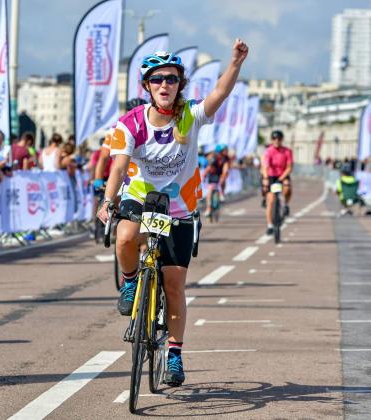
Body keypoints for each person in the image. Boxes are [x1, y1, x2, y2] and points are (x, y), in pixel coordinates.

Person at [98, 40, 249, 386]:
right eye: (157, 79)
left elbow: (221, 93)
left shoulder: (190, 115)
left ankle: (176, 355)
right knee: (124, 237)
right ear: (146, 87)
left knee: (175, 283)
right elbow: (119, 168)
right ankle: (132, 282)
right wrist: (108, 201)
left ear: (180, 84)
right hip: (140, 197)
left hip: (179, 205)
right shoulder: (131, 123)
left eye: (171, 79)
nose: (164, 85)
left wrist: (235, 63)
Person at [262, 130, 293, 235]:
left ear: (282, 140)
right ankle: (270, 225)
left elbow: (289, 167)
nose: (277, 141)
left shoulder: (287, 151)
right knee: (270, 201)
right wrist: (266, 179)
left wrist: (282, 178)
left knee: (287, 187)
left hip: (282, 175)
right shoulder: (269, 151)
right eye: (274, 139)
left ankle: (285, 204)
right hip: (271, 176)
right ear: (271, 140)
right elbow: (265, 166)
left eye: (279, 139)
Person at [202, 143, 230, 215]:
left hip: (220, 173)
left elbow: (226, 168)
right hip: (213, 174)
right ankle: (208, 208)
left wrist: (224, 174)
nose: (226, 151)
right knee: (210, 189)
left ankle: (222, 194)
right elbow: (209, 168)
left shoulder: (226, 158)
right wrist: (204, 175)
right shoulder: (214, 158)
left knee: (223, 179)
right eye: (225, 150)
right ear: (220, 151)